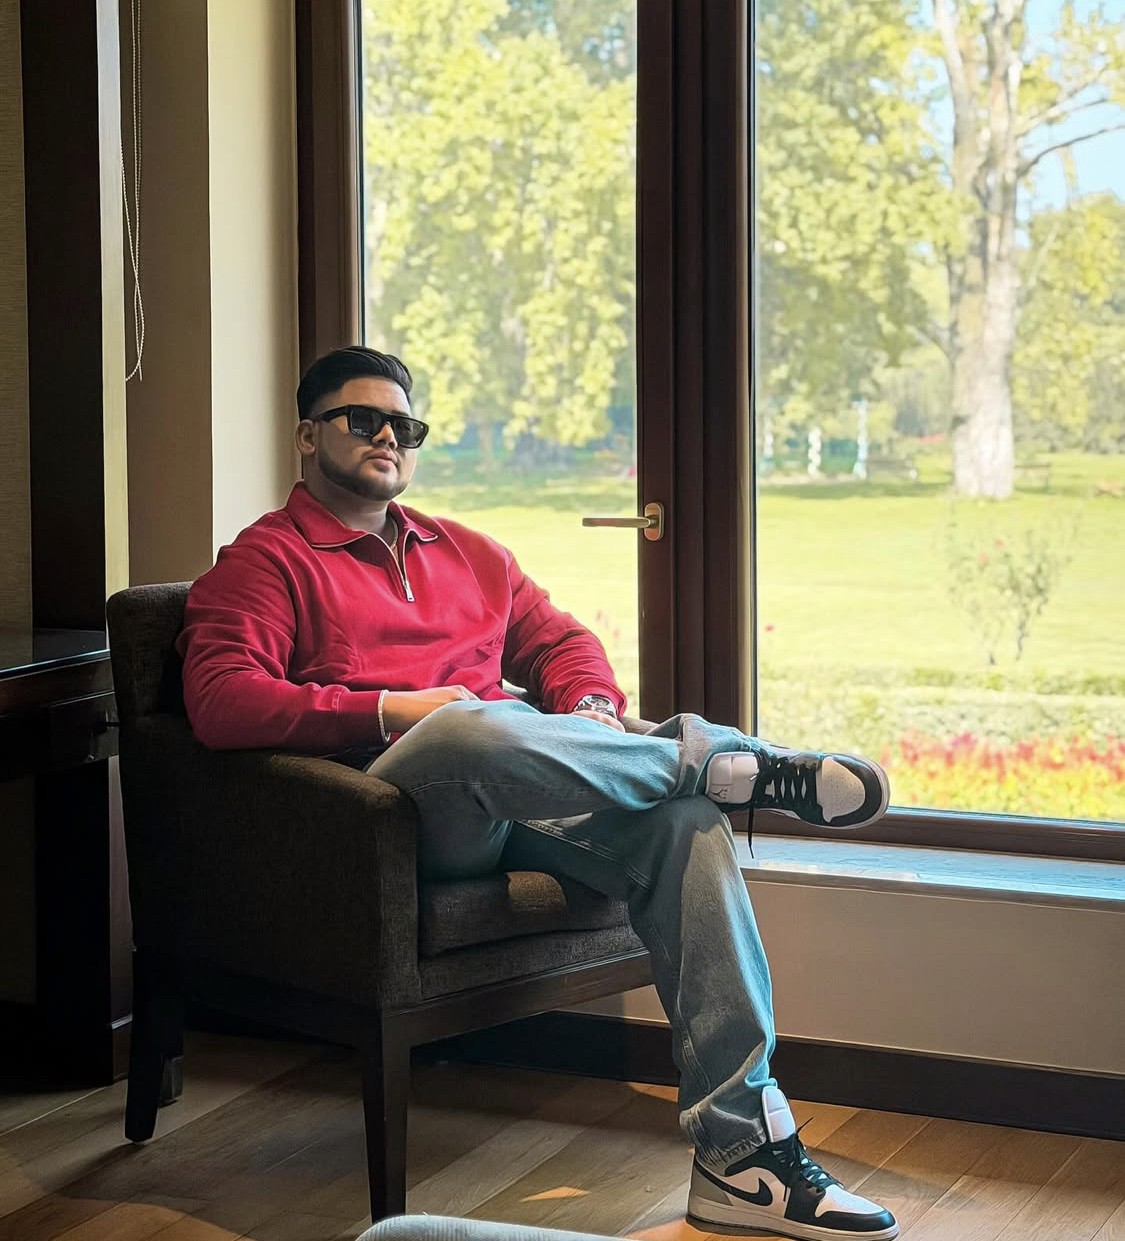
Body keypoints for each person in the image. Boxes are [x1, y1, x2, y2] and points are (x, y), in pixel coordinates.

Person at [177, 345, 899, 1241]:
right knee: (464, 723)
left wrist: (591, 709)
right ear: (305, 435)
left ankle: (740, 1153)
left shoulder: (470, 553)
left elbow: (562, 644)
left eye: (404, 425)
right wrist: (393, 707)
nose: (387, 437)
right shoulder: (264, 560)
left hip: (520, 796)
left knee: (684, 823)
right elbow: (221, 700)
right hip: (392, 818)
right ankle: (717, 759)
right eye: (362, 419)